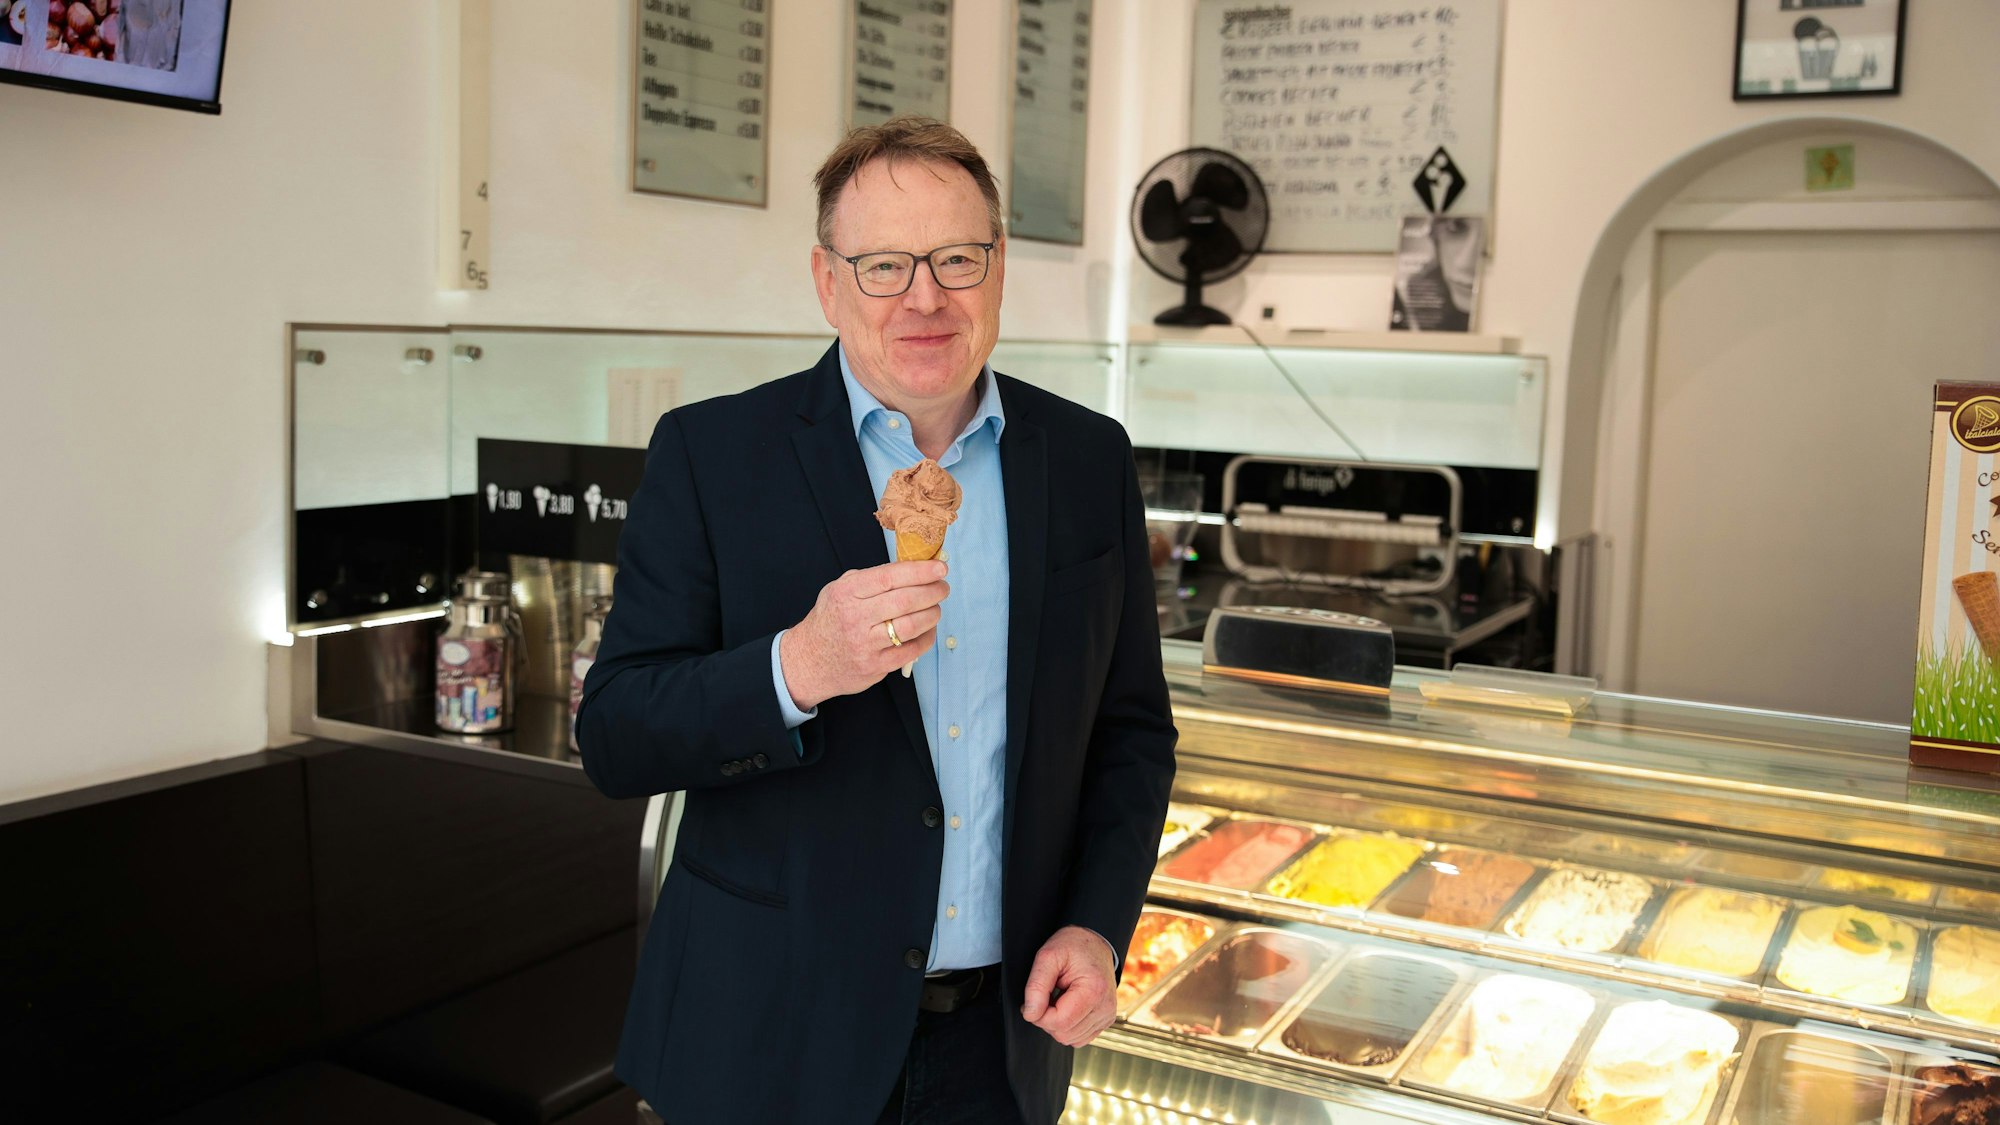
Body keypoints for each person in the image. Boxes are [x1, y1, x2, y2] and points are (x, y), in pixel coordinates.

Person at [576, 116, 1178, 1125]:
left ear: (997, 269)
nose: (924, 298)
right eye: (884, 265)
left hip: (1001, 1045)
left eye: (956, 259)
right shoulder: (711, 454)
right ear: (827, 281)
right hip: (765, 1037)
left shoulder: (1086, 458)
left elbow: (1132, 732)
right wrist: (796, 667)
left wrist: (1096, 923)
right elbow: (616, 734)